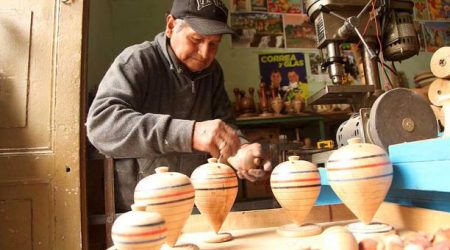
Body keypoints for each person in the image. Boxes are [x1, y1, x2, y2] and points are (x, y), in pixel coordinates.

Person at [86, 0, 271, 211]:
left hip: (195, 206)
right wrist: (190, 133)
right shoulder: (138, 61)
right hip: (141, 210)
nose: (205, 53)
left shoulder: (212, 72)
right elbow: (101, 126)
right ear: (171, 26)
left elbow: (225, 125)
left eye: (214, 44)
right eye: (196, 39)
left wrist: (241, 149)